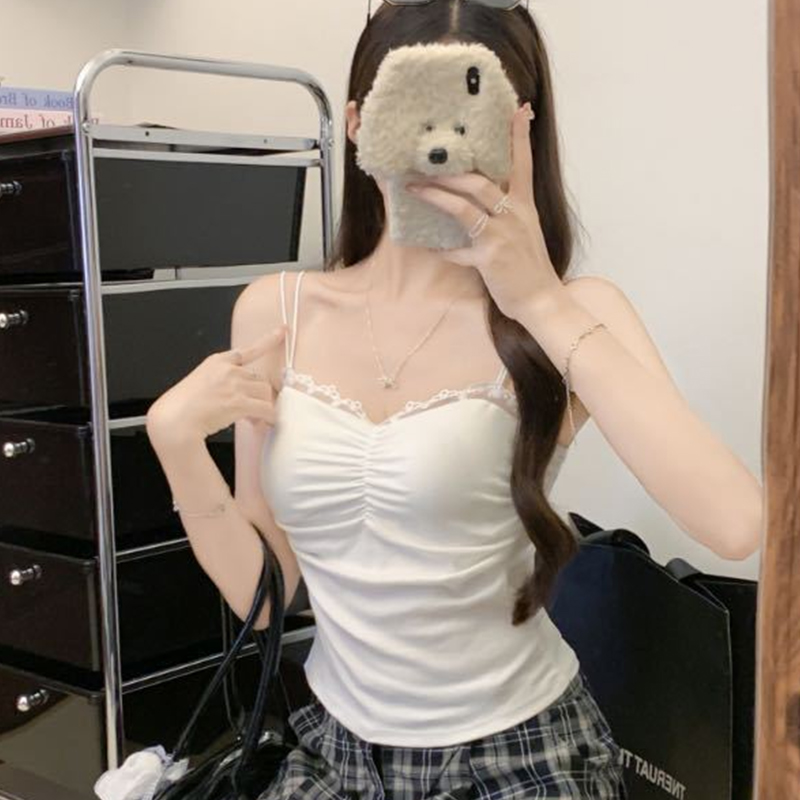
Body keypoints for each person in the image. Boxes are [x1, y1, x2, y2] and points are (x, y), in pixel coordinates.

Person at [146, 1, 763, 798]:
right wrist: (177, 446)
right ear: (360, 124)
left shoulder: (573, 314)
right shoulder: (278, 312)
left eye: (475, 114)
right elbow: (269, 598)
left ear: (521, 132)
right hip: (336, 754)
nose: (441, 146)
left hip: (519, 758)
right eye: (416, 106)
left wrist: (536, 298)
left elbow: (735, 523)